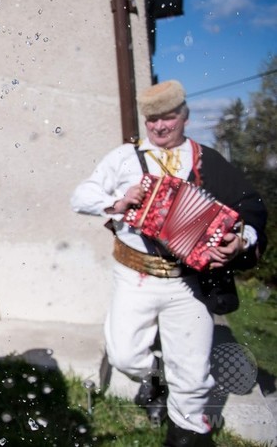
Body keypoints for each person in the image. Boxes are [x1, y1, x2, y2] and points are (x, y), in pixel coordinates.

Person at [70, 80, 267, 446]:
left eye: (168, 117)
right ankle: (155, 377)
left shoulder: (209, 161)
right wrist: (117, 201)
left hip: (189, 281)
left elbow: (250, 206)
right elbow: (81, 196)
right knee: (125, 354)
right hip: (134, 275)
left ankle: (188, 430)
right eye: (152, 120)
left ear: (185, 116)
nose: (160, 127)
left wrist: (241, 240)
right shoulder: (124, 159)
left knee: (191, 372)